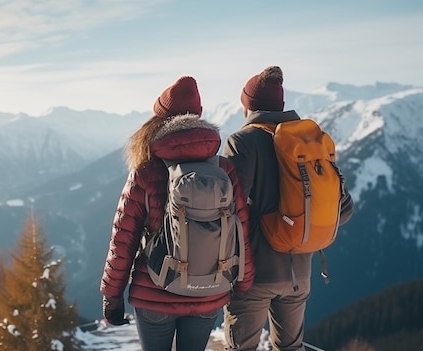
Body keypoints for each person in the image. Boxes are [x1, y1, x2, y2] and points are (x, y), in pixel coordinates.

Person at [100, 76, 255, 351]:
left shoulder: (146, 171)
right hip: (211, 289)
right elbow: (240, 229)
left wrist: (112, 296)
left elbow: (124, 239)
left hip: (155, 291)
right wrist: (242, 283)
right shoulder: (225, 169)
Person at [222, 66, 354, 351]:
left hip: (254, 273)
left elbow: (227, 208)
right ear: (280, 105)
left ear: (248, 105)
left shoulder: (242, 142)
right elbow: (343, 210)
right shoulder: (310, 142)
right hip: (300, 273)